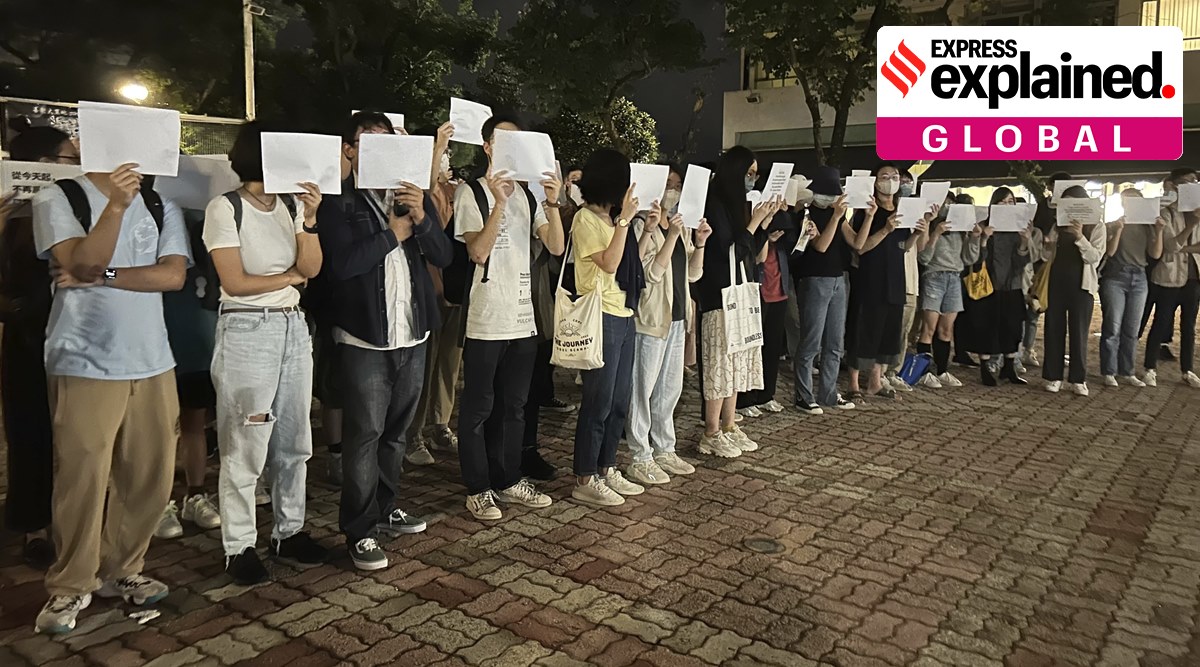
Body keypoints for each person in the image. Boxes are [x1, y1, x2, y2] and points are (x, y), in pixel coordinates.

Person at [32, 159, 190, 633]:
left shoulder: (161, 203)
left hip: (153, 358)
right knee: (81, 475)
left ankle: (124, 567)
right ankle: (70, 583)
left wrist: (105, 277)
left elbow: (172, 276)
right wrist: (116, 208)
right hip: (83, 358)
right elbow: (81, 261)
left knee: (149, 475)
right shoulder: (59, 196)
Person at [318, 112, 451, 570]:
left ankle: (385, 507)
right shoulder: (338, 201)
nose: (381, 151)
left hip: (412, 332)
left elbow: (443, 256)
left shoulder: (410, 196)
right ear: (350, 151)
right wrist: (392, 234)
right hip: (365, 338)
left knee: (396, 433)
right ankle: (359, 530)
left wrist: (422, 217)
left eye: (388, 142)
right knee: (365, 436)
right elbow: (341, 266)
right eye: (369, 143)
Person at [204, 121, 328, 583]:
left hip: (292, 325)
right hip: (246, 328)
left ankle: (289, 530)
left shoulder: (291, 206)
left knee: (294, 439)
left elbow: (312, 267)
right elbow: (235, 281)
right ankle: (238, 546)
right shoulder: (226, 207)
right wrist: (290, 277)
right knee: (245, 442)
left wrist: (310, 220)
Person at [455, 115, 564, 521]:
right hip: (486, 318)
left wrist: (551, 202)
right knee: (479, 407)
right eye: (504, 140)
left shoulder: (529, 196)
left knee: (514, 406)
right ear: (488, 147)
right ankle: (478, 487)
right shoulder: (471, 192)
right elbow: (478, 251)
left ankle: (508, 477)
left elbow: (556, 246)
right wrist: (498, 203)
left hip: (522, 318)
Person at [0, 126, 77, 570]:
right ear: (42, 165)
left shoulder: (79, 205)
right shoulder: (11, 214)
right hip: (28, 335)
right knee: (30, 431)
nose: (76, 167)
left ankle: (75, 518)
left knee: (77, 434)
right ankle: (35, 526)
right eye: (70, 159)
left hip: (78, 331)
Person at [570, 149, 646, 505]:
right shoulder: (585, 219)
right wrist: (625, 221)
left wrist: (642, 225)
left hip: (624, 312)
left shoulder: (613, 219)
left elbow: (631, 261)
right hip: (600, 313)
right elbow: (611, 263)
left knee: (619, 400)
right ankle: (585, 476)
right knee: (598, 401)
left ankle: (607, 466)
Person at [625, 188, 710, 486]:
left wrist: (700, 243)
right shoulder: (641, 225)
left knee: (670, 388)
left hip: (677, 317)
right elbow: (649, 274)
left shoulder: (680, 226)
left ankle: (664, 448)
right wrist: (671, 235)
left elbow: (693, 274)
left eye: (676, 186)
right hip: (651, 318)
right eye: (668, 185)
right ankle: (640, 455)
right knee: (642, 389)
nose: (672, 192)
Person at [693, 146, 775, 456]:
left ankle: (729, 424)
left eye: (755, 174)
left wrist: (762, 224)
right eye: (748, 173)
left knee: (737, 362)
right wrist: (754, 223)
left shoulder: (736, 205)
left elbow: (751, 251)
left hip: (739, 292)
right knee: (719, 364)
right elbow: (728, 250)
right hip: (719, 295)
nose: (752, 180)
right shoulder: (714, 203)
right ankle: (711, 431)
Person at [156, 205, 221, 539]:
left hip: (198, 352)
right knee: (162, 431)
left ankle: (195, 494)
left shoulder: (206, 242)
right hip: (158, 353)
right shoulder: (150, 241)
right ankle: (159, 502)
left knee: (195, 424)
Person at [406, 121, 464, 467]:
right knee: (424, 367)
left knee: (449, 364)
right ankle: (413, 432)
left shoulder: (457, 191)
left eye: (445, 154)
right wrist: (437, 146)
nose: (444, 159)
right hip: (428, 287)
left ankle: (440, 424)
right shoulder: (419, 191)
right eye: (439, 153)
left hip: (455, 287)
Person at [848, 164, 930, 399]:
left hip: (895, 276)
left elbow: (904, 246)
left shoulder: (904, 209)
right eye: (885, 176)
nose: (891, 181)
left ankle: (875, 380)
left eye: (895, 177)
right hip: (870, 276)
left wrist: (918, 232)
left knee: (888, 329)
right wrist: (885, 229)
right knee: (863, 327)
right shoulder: (867, 211)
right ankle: (853, 383)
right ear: (875, 182)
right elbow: (861, 248)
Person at [791, 167, 866, 415]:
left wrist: (868, 216)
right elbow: (821, 245)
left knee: (835, 343)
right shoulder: (806, 213)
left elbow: (857, 243)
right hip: (814, 279)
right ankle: (803, 395)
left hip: (838, 279)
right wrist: (835, 217)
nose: (830, 197)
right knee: (811, 341)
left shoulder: (839, 216)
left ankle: (829, 393)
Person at [1032, 185, 1106, 395]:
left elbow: (1094, 258)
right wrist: (1048, 245)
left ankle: (1078, 379)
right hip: (1056, 282)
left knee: (1079, 332)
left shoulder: (1097, 226)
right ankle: (1053, 376)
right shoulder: (1057, 225)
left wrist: (1080, 236)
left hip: (1082, 286)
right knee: (1053, 329)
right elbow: (1045, 256)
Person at [737, 191, 802, 415]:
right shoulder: (750, 221)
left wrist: (787, 216)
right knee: (753, 348)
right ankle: (745, 398)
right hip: (757, 291)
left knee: (772, 348)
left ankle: (766, 394)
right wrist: (765, 233)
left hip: (779, 291)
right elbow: (758, 257)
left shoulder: (782, 230)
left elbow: (794, 250)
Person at [959, 188, 1031, 386]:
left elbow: (1021, 263)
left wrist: (1024, 242)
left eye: (1010, 202)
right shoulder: (984, 226)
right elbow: (975, 260)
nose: (1007, 206)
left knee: (1012, 326)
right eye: (1002, 202)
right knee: (986, 326)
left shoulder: (1018, 228)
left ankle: (1009, 367)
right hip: (987, 284)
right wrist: (984, 239)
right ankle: (985, 368)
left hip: (1012, 284)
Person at [916, 193, 982, 387]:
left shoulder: (960, 229)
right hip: (934, 276)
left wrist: (975, 237)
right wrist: (935, 233)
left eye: (951, 203)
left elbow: (969, 259)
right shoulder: (930, 224)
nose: (947, 207)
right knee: (928, 328)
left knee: (946, 330)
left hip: (954, 277)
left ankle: (942, 370)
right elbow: (924, 257)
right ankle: (924, 372)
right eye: (944, 203)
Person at [1099, 189, 1163, 387]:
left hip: (1140, 277)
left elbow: (1155, 253)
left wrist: (1159, 231)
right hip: (1115, 276)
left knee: (1132, 329)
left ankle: (1127, 371)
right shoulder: (1114, 224)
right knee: (1112, 327)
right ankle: (1109, 371)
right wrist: (1118, 230)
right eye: (1127, 201)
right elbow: (1110, 251)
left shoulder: (1148, 227)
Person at [1143, 167, 1200, 388]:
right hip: (1169, 276)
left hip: (1194, 278)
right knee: (1162, 321)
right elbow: (1169, 246)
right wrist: (1191, 226)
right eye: (1187, 181)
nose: (1192, 185)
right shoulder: (1167, 213)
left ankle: (1188, 370)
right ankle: (1150, 368)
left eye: (1195, 181)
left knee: (1189, 326)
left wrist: (1181, 246)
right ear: (1175, 185)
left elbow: (1180, 246)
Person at [1023, 172, 1072, 370]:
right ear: (1050, 187)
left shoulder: (1073, 206)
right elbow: (1036, 228)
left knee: (1057, 312)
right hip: (1041, 262)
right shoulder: (1044, 206)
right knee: (1034, 306)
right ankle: (1027, 349)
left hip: (1064, 263)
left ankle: (1055, 354)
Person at [883, 169, 921, 392]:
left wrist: (924, 226)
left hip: (911, 279)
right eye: (900, 181)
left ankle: (893, 371)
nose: (903, 185)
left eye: (907, 181)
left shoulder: (915, 210)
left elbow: (921, 247)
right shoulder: (888, 211)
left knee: (904, 329)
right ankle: (880, 371)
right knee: (889, 327)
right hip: (891, 277)